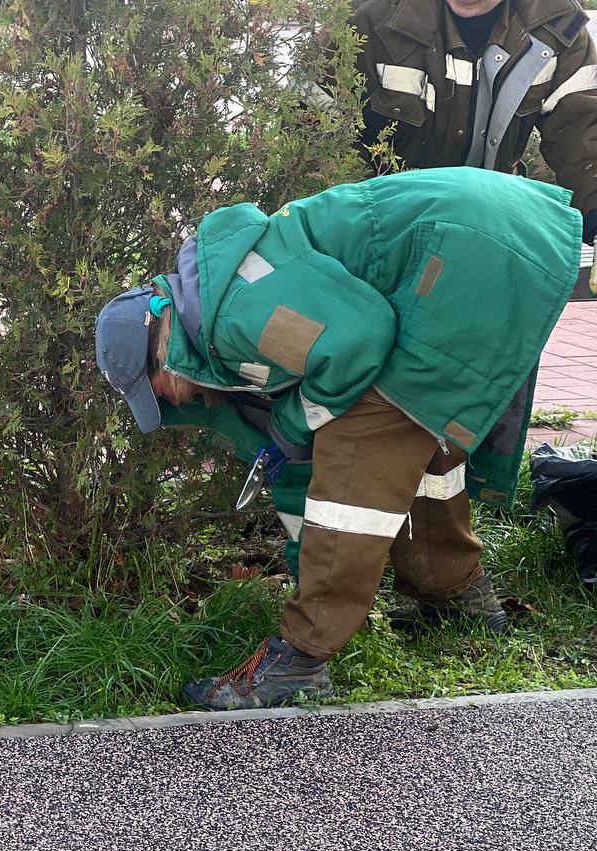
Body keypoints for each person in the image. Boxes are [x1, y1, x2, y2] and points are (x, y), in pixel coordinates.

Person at [94, 167, 581, 710]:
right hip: (494, 233)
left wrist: (299, 423)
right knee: (414, 429)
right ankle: (456, 594)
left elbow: (357, 340)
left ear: (159, 347)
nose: (167, 398)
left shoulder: (233, 315)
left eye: (154, 386)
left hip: (476, 249)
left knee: (362, 449)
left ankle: (300, 658)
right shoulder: (211, 296)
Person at [352, 0, 597, 258]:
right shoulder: (365, 19)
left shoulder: (557, 24)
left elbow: (582, 128)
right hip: (380, 234)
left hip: (488, 233)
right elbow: (320, 138)